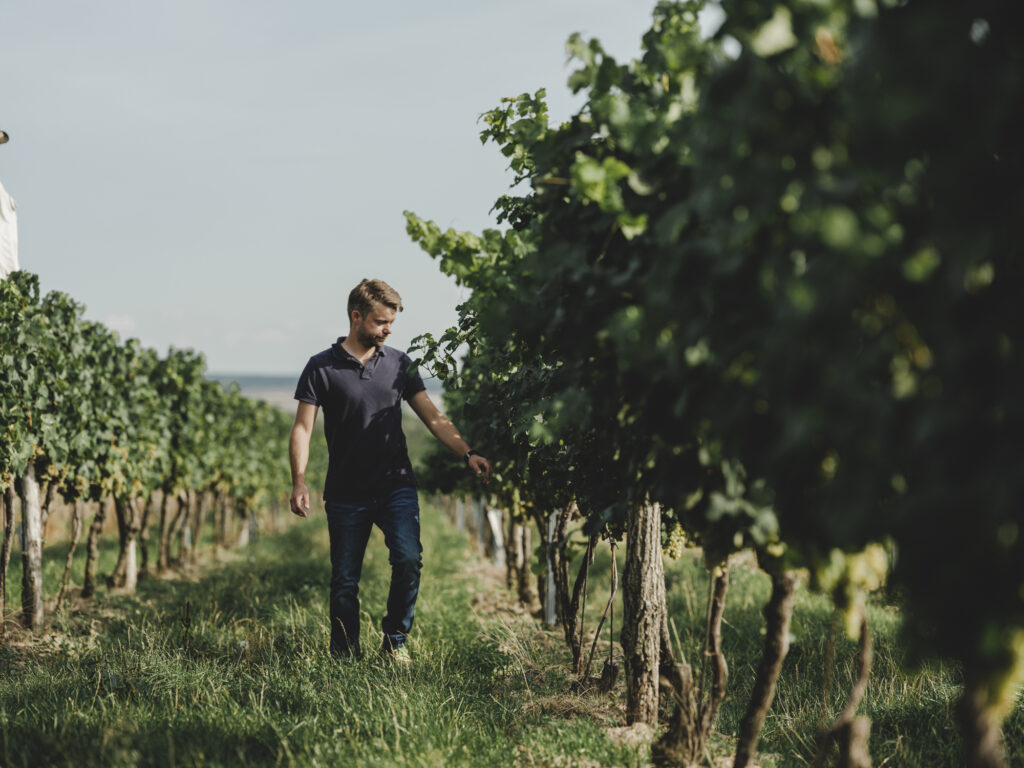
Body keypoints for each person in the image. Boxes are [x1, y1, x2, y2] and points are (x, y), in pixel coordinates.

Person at [289, 278, 491, 663]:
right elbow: (302, 428)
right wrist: (299, 481)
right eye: (381, 322)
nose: (388, 330)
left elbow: (431, 416)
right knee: (345, 581)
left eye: (392, 323)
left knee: (408, 558)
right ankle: (345, 656)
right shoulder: (321, 367)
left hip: (396, 484)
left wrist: (467, 453)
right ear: (356, 316)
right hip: (346, 491)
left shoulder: (400, 364)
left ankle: (394, 641)